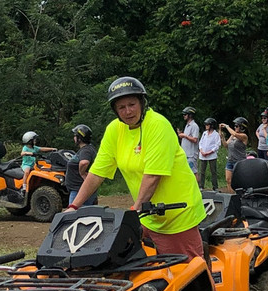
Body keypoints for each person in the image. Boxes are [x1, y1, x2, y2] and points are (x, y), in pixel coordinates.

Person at [70, 77, 210, 268]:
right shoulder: (114, 130)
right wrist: (74, 207)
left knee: (189, 273)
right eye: (121, 107)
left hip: (177, 214)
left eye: (132, 104)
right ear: (115, 110)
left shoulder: (158, 125)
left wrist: (134, 211)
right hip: (146, 215)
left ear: (142, 103)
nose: (128, 111)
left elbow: (152, 176)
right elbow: (96, 173)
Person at [64, 124, 98, 207]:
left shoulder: (86, 150)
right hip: (80, 189)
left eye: (75, 136)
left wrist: (82, 173)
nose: (74, 138)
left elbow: (84, 162)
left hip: (79, 190)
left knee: (72, 215)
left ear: (80, 138)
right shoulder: (88, 149)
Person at [220, 116, 249, 190]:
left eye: (237, 126)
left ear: (242, 127)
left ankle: (241, 197)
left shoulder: (244, 136)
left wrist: (227, 126)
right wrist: (222, 137)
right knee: (228, 180)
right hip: (230, 160)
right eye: (235, 126)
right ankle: (231, 197)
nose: (235, 127)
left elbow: (236, 134)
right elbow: (226, 145)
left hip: (239, 161)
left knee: (239, 181)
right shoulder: (232, 135)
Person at [198, 117, 221, 191]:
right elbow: (200, 142)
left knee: (213, 171)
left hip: (211, 156)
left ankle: (215, 186)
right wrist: (201, 150)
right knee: (202, 171)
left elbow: (217, 145)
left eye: (207, 125)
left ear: (211, 125)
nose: (206, 126)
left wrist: (209, 152)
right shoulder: (204, 133)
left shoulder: (216, 134)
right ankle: (201, 186)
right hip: (203, 155)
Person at [178, 106, 200, 174]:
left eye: (185, 114)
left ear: (190, 115)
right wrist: (181, 135)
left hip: (191, 155)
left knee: (193, 172)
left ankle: (197, 185)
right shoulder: (187, 125)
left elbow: (195, 139)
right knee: (187, 172)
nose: (183, 116)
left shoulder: (194, 126)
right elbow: (187, 138)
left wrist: (184, 135)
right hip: (186, 154)